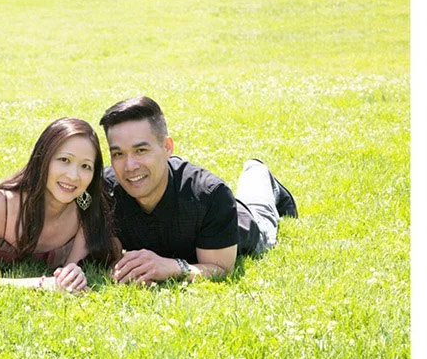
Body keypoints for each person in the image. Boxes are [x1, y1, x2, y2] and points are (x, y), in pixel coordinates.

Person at [101, 95, 297, 285]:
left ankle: (258, 171)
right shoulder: (104, 191)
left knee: (260, 210)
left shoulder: (210, 194)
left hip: (242, 225)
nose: (129, 166)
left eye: (141, 150)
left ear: (167, 147)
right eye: (118, 154)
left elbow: (221, 268)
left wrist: (172, 267)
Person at [0, 116, 117, 292]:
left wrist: (72, 275)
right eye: (64, 160)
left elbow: (70, 272)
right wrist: (46, 284)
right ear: (42, 158)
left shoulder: (86, 209)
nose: (74, 176)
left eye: (85, 166)